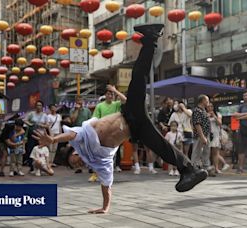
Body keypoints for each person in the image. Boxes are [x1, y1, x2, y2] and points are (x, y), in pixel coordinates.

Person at [33, 24, 207, 214]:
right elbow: (106, 185)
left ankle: (151, 39)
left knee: (138, 76)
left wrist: (52, 140)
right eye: (76, 165)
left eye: (74, 160)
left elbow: (71, 135)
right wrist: (105, 207)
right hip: (135, 128)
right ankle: (190, 170)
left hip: (129, 113)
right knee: (160, 145)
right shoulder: (99, 162)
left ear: (74, 153)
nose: (78, 163)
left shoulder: (81, 139)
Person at [89, 85, 127, 182]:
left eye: (112, 94)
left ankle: (106, 175)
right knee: (98, 154)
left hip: (113, 134)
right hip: (102, 133)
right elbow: (95, 119)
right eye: (109, 94)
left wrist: (115, 90)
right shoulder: (100, 106)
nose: (110, 96)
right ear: (105, 95)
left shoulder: (116, 104)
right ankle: (95, 174)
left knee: (110, 156)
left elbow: (125, 100)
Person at [191, 95, 213, 176]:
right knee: (197, 152)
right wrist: (202, 136)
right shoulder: (197, 110)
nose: (208, 102)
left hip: (206, 134)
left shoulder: (203, 111)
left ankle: (206, 168)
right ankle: (193, 168)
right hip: (200, 135)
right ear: (203, 100)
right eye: (207, 100)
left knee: (206, 152)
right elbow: (197, 125)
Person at [24, 100, 49, 172]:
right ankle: (31, 165)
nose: (38, 107)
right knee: (31, 149)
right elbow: (25, 120)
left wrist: (42, 125)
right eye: (37, 105)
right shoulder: (31, 114)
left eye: (40, 105)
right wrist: (30, 124)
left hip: (40, 135)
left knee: (41, 150)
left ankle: (42, 165)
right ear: (35, 106)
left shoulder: (45, 115)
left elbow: (47, 125)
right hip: (32, 134)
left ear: (42, 107)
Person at [207, 103, 229, 174]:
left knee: (215, 153)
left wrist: (214, 116)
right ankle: (208, 167)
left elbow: (219, 123)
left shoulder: (218, 114)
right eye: (208, 106)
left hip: (215, 134)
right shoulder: (204, 114)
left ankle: (216, 168)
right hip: (207, 134)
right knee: (207, 152)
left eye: (211, 106)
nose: (210, 108)